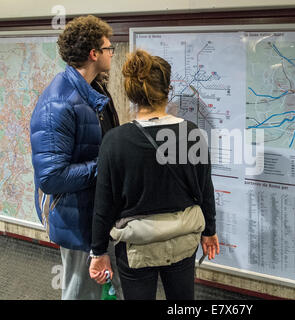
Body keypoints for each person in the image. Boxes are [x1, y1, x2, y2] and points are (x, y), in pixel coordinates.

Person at [89, 49, 220, 300]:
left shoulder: (115, 141)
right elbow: (205, 189)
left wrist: (98, 252)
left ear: (132, 92)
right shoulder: (191, 133)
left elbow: (103, 204)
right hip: (182, 240)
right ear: (167, 89)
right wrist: (209, 231)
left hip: (136, 248)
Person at [30, 15, 122, 300]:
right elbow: (52, 177)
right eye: (109, 49)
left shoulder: (94, 89)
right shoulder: (58, 103)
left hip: (96, 213)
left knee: (104, 291)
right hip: (78, 219)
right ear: (94, 54)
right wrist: (106, 168)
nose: (111, 54)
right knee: (81, 293)